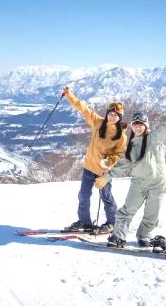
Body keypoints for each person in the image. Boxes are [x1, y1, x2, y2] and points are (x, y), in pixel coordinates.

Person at [95, 102, 166, 248]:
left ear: (146, 125)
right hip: (138, 184)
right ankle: (118, 236)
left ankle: (144, 236)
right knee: (127, 211)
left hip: (157, 184)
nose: (137, 127)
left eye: (140, 124)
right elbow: (122, 166)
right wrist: (105, 178)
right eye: (135, 124)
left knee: (152, 214)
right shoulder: (131, 146)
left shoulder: (155, 138)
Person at [62, 87, 127, 234]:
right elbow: (83, 108)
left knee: (106, 197)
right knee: (83, 195)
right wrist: (69, 95)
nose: (112, 117)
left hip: (103, 172)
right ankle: (85, 223)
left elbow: (118, 153)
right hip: (89, 167)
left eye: (116, 115)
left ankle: (112, 222)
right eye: (110, 114)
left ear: (120, 118)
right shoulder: (98, 123)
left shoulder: (121, 136)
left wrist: (110, 161)